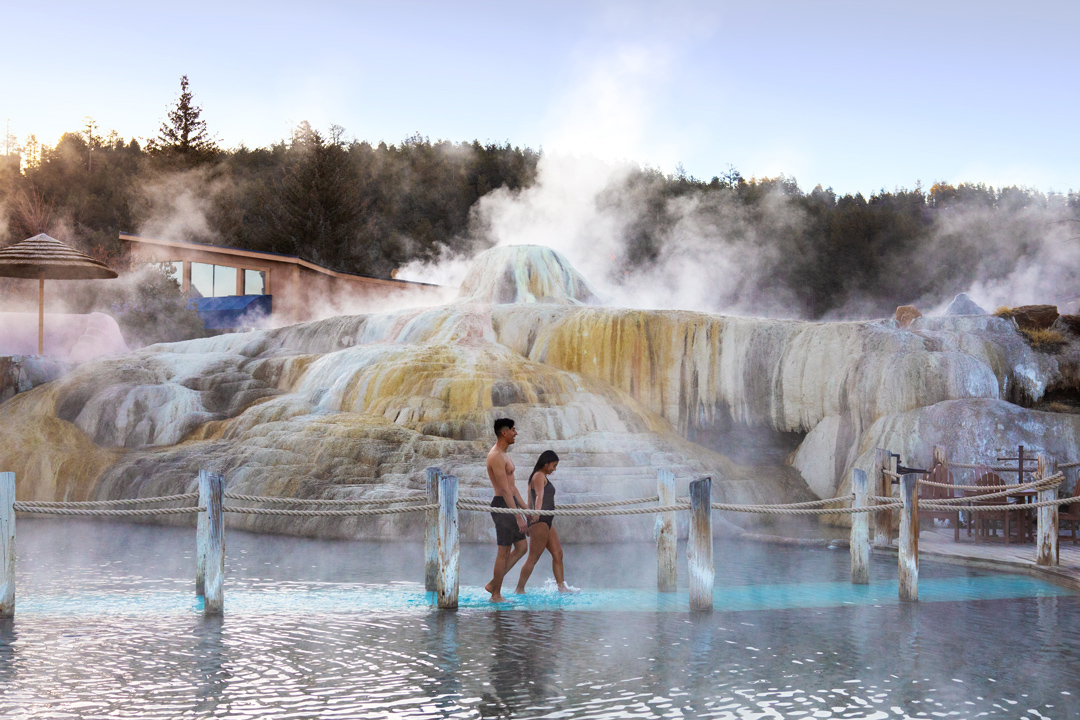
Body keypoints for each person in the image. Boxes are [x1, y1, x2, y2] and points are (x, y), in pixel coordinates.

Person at [485, 417, 529, 602]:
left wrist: (527, 509)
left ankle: (493, 584)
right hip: (503, 506)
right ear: (504, 432)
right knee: (503, 551)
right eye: (513, 429)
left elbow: (513, 487)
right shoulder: (495, 455)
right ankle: (495, 594)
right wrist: (517, 516)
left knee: (522, 547)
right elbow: (503, 489)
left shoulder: (505, 454)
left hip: (510, 504)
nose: (516, 433)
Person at [515, 450, 571, 594]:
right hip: (540, 521)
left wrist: (529, 518)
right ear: (545, 464)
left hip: (546, 521)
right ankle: (519, 589)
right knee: (533, 558)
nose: (554, 469)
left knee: (558, 554)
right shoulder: (539, 475)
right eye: (553, 465)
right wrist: (537, 514)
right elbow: (539, 496)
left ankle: (561, 587)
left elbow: (529, 500)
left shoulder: (540, 475)